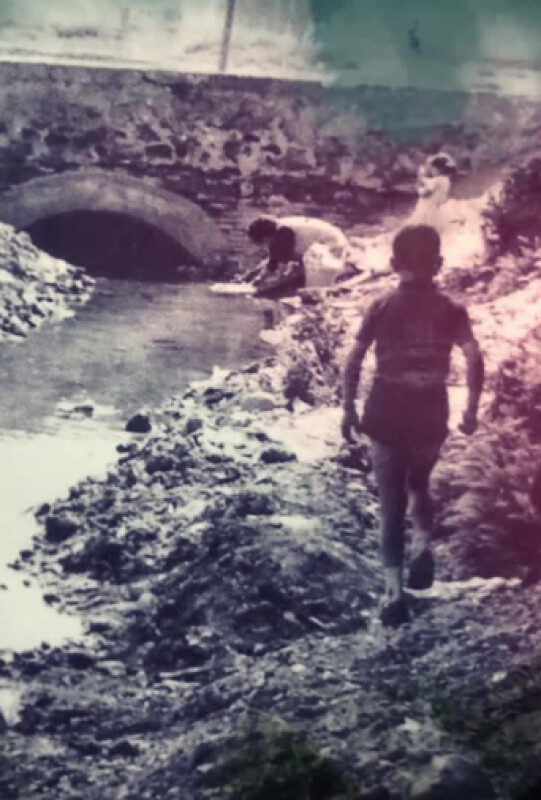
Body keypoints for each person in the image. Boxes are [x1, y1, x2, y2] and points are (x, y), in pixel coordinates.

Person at [341, 224, 484, 627]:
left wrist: (348, 408)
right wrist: (471, 409)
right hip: (430, 410)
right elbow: (474, 358)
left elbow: (354, 360)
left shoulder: (380, 306)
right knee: (419, 483)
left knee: (390, 505)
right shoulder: (452, 310)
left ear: (393, 264)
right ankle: (422, 542)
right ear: (438, 264)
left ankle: (394, 594)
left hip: (386, 409)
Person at [246, 215, 349, 299]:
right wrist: (259, 279)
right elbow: (273, 263)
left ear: (266, 237)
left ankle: (316, 295)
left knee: (311, 267)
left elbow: (281, 269)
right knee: (303, 263)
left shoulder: (283, 233)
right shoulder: (278, 231)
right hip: (325, 242)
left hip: (332, 244)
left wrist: (270, 283)